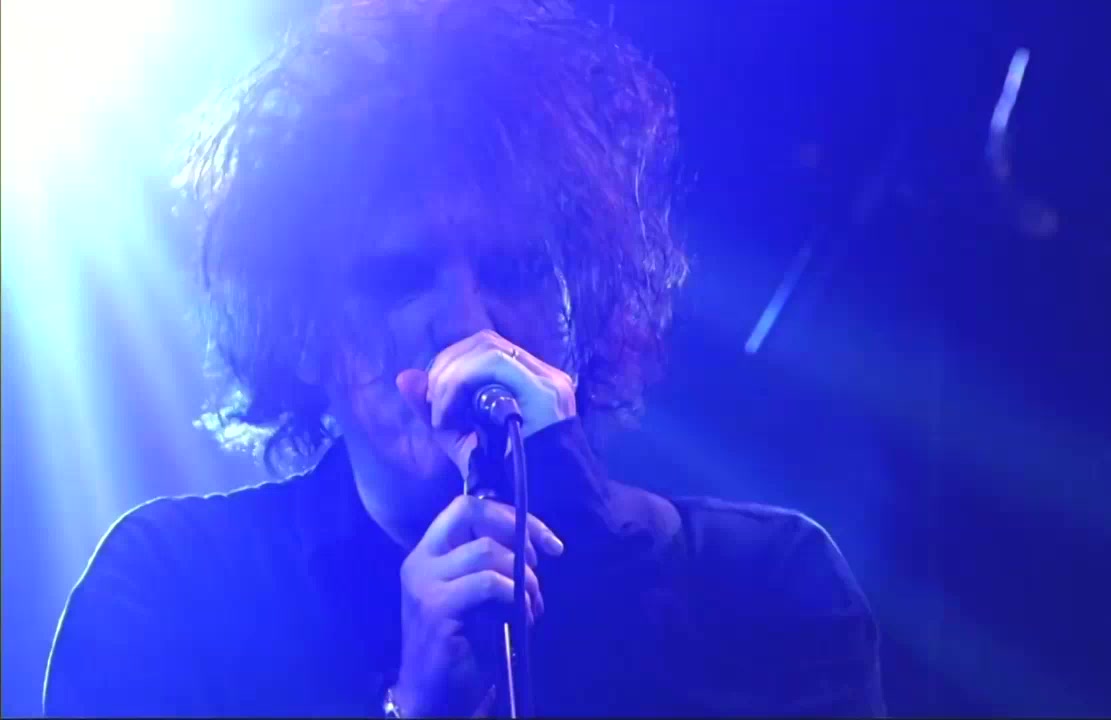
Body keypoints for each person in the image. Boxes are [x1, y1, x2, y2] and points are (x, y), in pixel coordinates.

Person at [43, 1, 885, 716]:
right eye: (400, 278)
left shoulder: (766, 583)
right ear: (301, 331)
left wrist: (595, 575)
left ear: (585, 305)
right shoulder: (174, 588)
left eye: (515, 270)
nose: (469, 324)